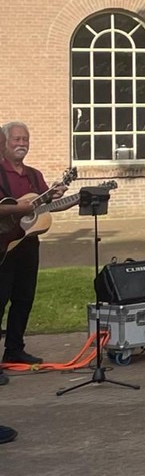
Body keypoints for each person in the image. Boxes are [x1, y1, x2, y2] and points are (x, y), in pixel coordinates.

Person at [0, 121, 68, 365]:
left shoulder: (34, 175)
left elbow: (42, 206)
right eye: (16, 139)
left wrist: (59, 195)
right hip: (2, 247)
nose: (22, 144)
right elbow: (16, 208)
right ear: (4, 143)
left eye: (25, 140)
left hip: (27, 245)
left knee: (24, 298)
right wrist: (17, 207)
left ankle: (14, 350)